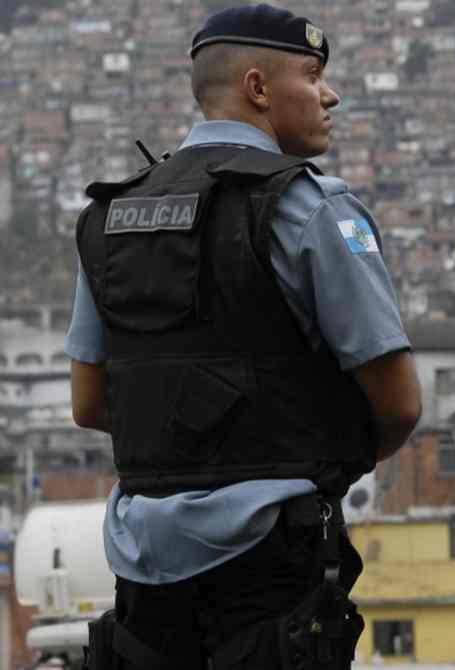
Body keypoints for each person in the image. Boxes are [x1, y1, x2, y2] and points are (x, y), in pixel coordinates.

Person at [67, 4, 422, 668]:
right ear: (258, 87)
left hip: (143, 575)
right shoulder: (309, 208)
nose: (330, 93)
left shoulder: (109, 218)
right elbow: (399, 404)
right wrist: (305, 459)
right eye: (314, 74)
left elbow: (89, 405)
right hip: (270, 567)